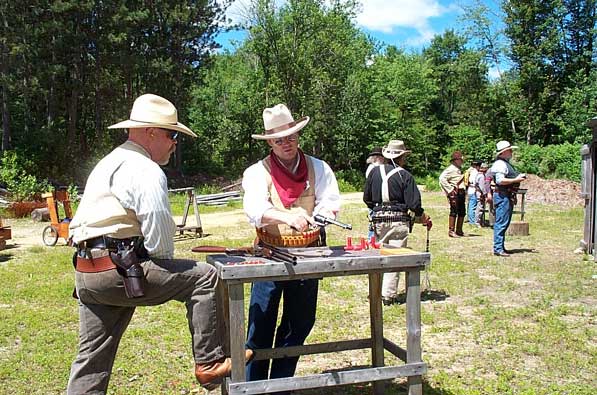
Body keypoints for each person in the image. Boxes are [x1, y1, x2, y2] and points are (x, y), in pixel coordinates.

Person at [66, 94, 251, 394]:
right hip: (118, 269)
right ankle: (209, 363)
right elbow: (159, 237)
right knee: (206, 277)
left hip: (88, 271)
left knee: (91, 360)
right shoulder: (145, 168)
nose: (175, 142)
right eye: (172, 134)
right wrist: (163, 263)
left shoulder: (109, 161)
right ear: (151, 132)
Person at [241, 103, 340, 392]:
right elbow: (255, 209)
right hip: (269, 254)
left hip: (309, 253)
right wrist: (287, 216)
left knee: (299, 324)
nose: (286, 143)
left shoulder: (318, 167)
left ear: (298, 136)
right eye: (279, 139)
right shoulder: (257, 172)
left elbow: (330, 202)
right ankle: (254, 388)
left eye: (291, 137)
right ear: (270, 142)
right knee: (260, 326)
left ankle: (281, 384)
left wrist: (319, 218)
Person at [363, 140, 431, 306]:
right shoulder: (405, 175)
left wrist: (378, 210)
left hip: (378, 219)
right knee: (394, 256)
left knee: (379, 254)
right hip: (398, 220)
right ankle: (387, 294)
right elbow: (414, 205)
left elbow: (367, 198)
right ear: (401, 157)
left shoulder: (373, 173)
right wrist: (422, 217)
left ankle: (375, 291)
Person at [488, 141, 527, 257]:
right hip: (502, 195)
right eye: (509, 150)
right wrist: (516, 180)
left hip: (505, 195)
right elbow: (500, 181)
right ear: (504, 152)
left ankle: (500, 247)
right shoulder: (500, 164)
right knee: (501, 222)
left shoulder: (504, 163)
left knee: (504, 221)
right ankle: (498, 248)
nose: (511, 152)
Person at [439, 151, 466, 237]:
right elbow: (442, 179)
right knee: (454, 211)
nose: (462, 161)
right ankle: (451, 231)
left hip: (461, 192)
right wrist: (450, 190)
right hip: (455, 193)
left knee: (462, 211)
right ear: (455, 160)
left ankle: (459, 230)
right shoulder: (450, 169)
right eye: (460, 159)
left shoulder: (458, 169)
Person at [365, 146, 386, 240]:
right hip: (374, 201)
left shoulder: (374, 168)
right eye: (382, 156)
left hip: (375, 201)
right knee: (373, 226)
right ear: (377, 157)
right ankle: (371, 241)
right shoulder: (373, 169)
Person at [474, 162, 491, 226]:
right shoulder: (481, 176)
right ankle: (477, 222)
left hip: (479, 192)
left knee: (480, 206)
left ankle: (479, 221)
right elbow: (482, 187)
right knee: (480, 207)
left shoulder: (479, 175)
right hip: (480, 193)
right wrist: (485, 194)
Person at [466, 160, 482, 225]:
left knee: (470, 205)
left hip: (470, 190)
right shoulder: (475, 173)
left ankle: (470, 219)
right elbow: (474, 182)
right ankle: (472, 221)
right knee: (472, 206)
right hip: (473, 191)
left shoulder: (471, 171)